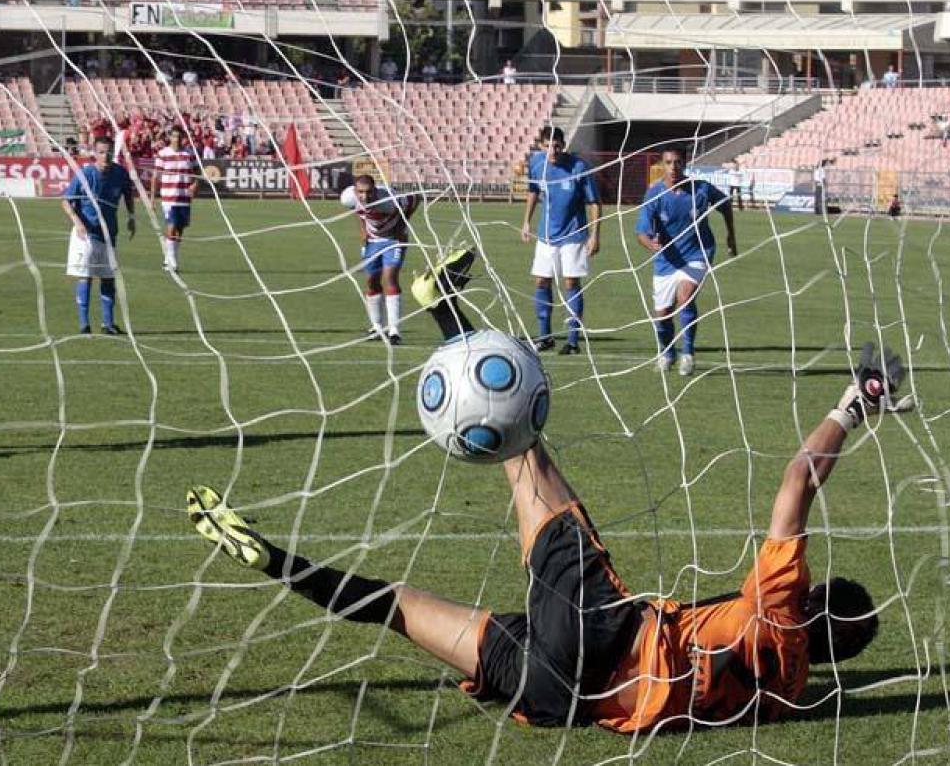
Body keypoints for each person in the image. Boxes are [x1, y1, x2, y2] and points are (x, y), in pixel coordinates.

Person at [188, 344, 899, 731]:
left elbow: (796, 486)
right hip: (559, 698)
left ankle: (453, 323)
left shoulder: (779, 612)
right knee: (395, 606)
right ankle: (272, 559)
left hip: (606, 633)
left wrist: (853, 405)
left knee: (527, 454)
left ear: (810, 604)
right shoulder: (792, 689)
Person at [635, 145, 737, 376]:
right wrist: (650, 243)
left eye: (678, 162)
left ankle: (688, 354)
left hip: (697, 254)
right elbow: (641, 231)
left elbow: (726, 204)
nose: (673, 167)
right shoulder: (654, 194)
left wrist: (730, 235)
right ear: (662, 164)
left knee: (685, 296)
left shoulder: (701, 189)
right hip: (666, 260)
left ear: (685, 163)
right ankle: (667, 353)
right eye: (668, 163)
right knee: (662, 315)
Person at [521, 126, 601, 355]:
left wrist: (595, 235)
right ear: (540, 146)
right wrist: (526, 221)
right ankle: (545, 337)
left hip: (573, 235)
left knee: (570, 283)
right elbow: (533, 191)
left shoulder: (578, 167)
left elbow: (594, 202)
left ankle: (573, 340)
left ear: (563, 145)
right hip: (546, 235)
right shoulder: (536, 164)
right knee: (541, 282)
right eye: (548, 146)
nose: (552, 151)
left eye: (557, 146)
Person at [61, 135, 136, 336]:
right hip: (85, 234)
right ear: (94, 153)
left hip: (109, 233)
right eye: (101, 152)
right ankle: (84, 325)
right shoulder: (85, 174)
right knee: (86, 276)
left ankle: (107, 324)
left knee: (108, 278)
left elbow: (128, 193)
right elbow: (66, 201)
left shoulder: (120, 173)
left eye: (109, 152)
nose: (105, 156)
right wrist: (77, 222)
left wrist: (131, 216)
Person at [338, 175, 420, 344]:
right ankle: (376, 327)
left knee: (390, 278)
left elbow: (415, 198)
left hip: (393, 240)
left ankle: (394, 331)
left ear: (375, 190)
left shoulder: (390, 200)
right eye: (360, 192)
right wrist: (363, 231)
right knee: (371, 281)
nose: (364, 196)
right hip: (373, 242)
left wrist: (402, 226)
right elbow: (358, 211)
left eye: (368, 192)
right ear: (354, 191)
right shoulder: (347, 198)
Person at [151, 125, 199, 273]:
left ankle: (169, 259)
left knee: (180, 229)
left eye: (179, 136)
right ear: (169, 137)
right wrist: (152, 197)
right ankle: (173, 261)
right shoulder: (162, 154)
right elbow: (155, 176)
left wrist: (195, 185)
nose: (176, 139)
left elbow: (197, 174)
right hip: (168, 197)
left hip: (184, 196)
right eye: (174, 136)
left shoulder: (189, 154)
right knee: (171, 226)